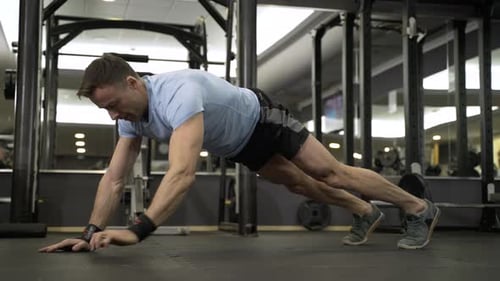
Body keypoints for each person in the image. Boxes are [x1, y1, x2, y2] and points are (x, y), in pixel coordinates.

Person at [39, 54, 440, 253]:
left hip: (264, 118)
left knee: (329, 172)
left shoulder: (179, 92)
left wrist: (139, 228)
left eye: (113, 105)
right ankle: (366, 211)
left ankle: (418, 207)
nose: (113, 116)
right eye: (104, 111)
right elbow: (113, 178)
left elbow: (181, 173)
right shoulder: (130, 119)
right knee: (302, 186)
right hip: (240, 144)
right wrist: (89, 231)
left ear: (133, 82)